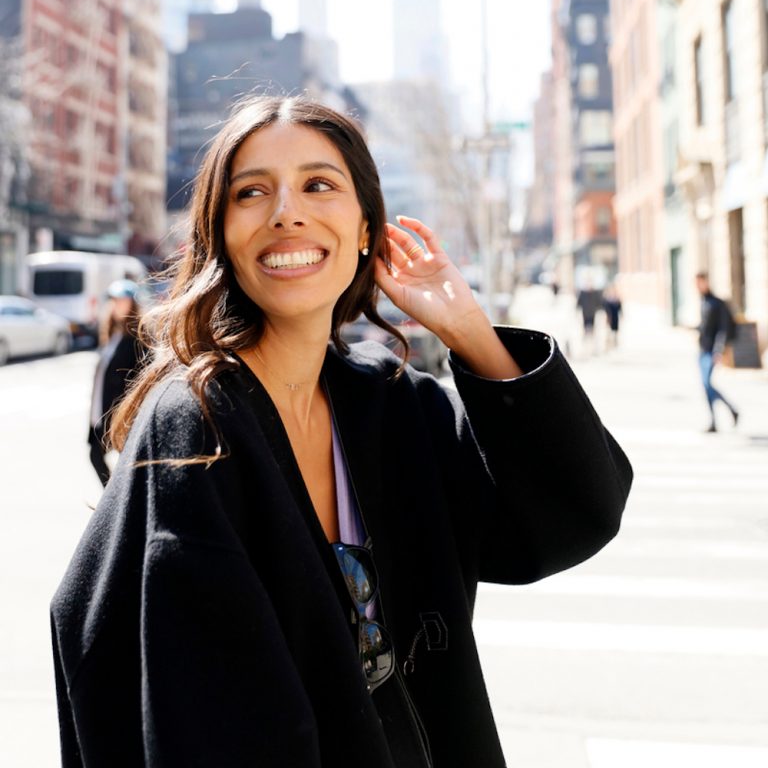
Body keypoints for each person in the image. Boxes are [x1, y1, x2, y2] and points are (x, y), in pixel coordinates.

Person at [51, 95, 633, 768]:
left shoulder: (394, 405)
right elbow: (200, 718)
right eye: (251, 192)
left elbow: (570, 517)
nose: (286, 212)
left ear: (366, 227)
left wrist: (471, 336)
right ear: (220, 234)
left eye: (319, 184)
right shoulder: (197, 424)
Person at [87, 278, 145, 486]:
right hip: (102, 412)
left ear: (133, 304)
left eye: (123, 301)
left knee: (126, 463)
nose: (118, 305)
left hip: (122, 415)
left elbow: (141, 379)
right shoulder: (113, 334)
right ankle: (116, 501)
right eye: (115, 300)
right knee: (96, 455)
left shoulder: (139, 338)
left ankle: (117, 503)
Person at [694, 271, 739, 433]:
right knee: (706, 387)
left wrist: (718, 350)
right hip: (702, 350)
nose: (698, 286)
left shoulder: (717, 303)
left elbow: (723, 328)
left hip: (712, 351)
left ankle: (731, 410)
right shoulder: (703, 301)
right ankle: (717, 420)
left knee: (707, 384)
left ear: (706, 282)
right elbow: (705, 327)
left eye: (700, 282)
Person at [601, 284, 622, 349]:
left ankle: (615, 343)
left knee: (615, 331)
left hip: (615, 317)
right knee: (608, 331)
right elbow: (604, 308)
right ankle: (608, 344)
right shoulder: (606, 300)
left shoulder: (617, 299)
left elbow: (620, 308)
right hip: (608, 317)